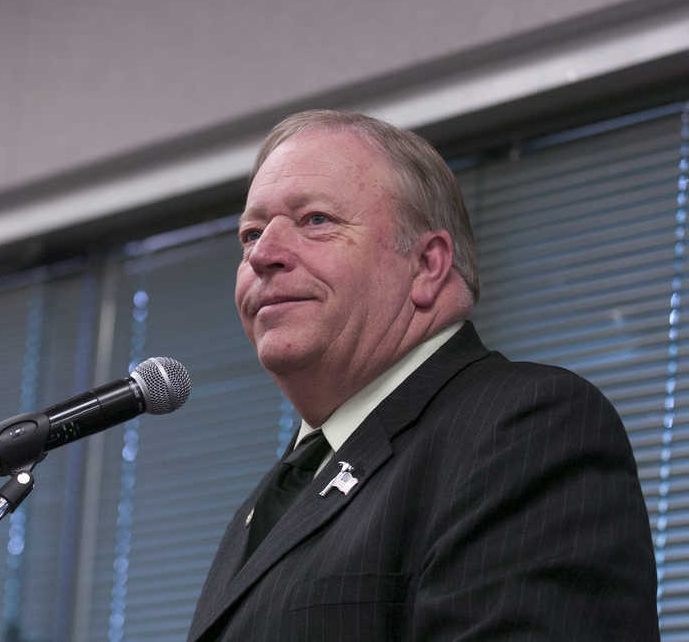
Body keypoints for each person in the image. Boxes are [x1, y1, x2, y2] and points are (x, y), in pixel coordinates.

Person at [187, 110, 659, 641]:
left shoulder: (526, 428)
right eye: (251, 234)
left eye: (316, 220)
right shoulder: (265, 504)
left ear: (428, 265)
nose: (263, 255)